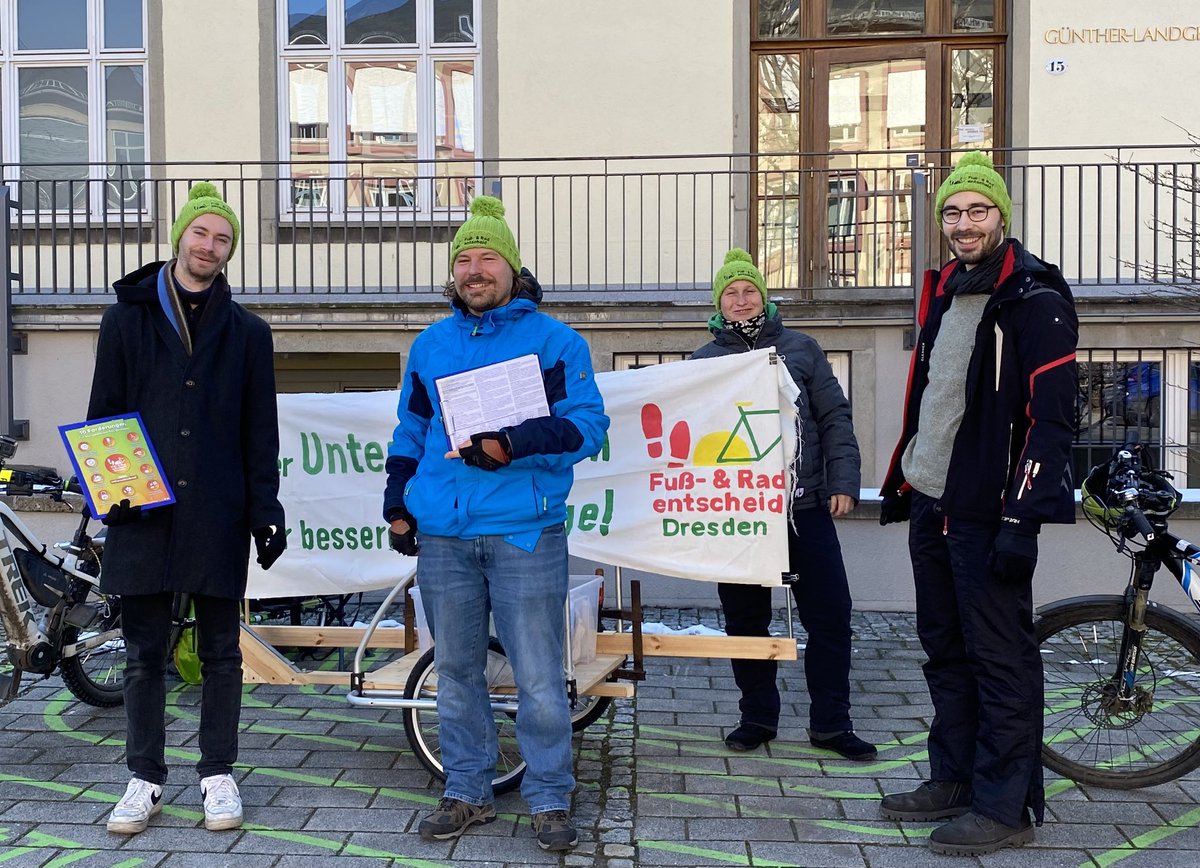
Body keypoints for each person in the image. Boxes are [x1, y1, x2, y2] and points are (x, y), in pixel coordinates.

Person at [382, 196, 608, 852]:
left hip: (523, 531)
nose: (475, 269)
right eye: (464, 260)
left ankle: (548, 795)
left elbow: (588, 424)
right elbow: (411, 429)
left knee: (538, 672)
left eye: (487, 257)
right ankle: (468, 790)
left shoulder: (556, 342)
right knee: (455, 669)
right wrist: (398, 502)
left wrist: (511, 442)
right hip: (445, 534)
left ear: (511, 267)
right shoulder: (430, 344)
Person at [878, 152, 1078, 856]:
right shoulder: (949, 291)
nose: (964, 224)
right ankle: (954, 779)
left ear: (1002, 217)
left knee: (1000, 659)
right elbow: (936, 398)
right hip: (934, 501)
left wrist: (1023, 520)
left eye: (978, 211)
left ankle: (1005, 806)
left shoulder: (1034, 300)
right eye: (953, 213)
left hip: (990, 514)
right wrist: (906, 478)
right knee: (945, 650)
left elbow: (1052, 424)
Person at [88, 183, 287, 835]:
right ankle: (143, 778)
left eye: (222, 238)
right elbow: (105, 415)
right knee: (143, 652)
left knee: (221, 651)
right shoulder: (126, 320)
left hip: (217, 510)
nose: (209, 246)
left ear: (229, 252)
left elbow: (260, 431)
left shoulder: (249, 333)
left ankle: (218, 775)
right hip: (141, 510)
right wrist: (110, 493)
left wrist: (266, 509)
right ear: (180, 238)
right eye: (201, 233)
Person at [691, 249, 876, 762]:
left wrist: (844, 481)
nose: (742, 299)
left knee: (832, 615)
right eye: (731, 292)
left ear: (764, 299)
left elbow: (834, 417)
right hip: (742, 515)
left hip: (804, 504)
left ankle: (832, 724)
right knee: (745, 620)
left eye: (750, 291)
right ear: (719, 304)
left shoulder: (802, 348)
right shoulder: (703, 362)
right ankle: (756, 718)